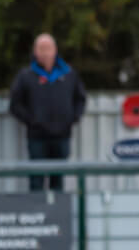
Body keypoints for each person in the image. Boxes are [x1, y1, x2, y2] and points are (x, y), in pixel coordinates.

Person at [8, 33, 87, 192]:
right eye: (41, 48)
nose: (45, 52)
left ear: (55, 50)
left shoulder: (69, 74)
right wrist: (32, 121)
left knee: (58, 180)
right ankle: (36, 214)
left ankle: (57, 214)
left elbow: (81, 99)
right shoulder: (26, 76)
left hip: (62, 136)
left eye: (48, 48)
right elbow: (14, 104)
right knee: (36, 180)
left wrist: (71, 119)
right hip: (37, 137)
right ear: (34, 51)